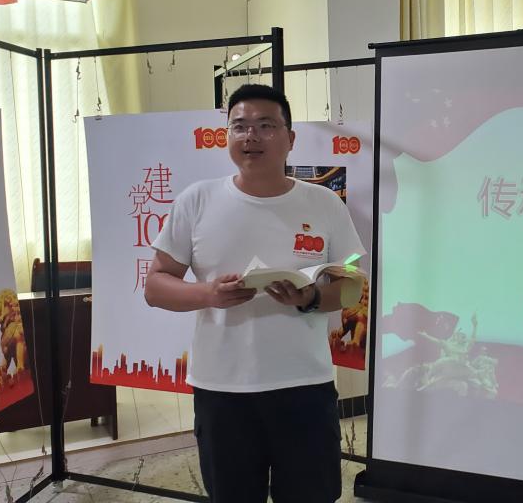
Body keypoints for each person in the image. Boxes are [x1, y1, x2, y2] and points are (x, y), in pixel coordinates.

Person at [144, 84, 364, 503]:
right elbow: (155, 286)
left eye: (266, 126)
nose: (251, 136)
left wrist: (309, 299)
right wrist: (209, 294)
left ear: (290, 138)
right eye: (240, 126)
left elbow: (351, 286)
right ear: (227, 135)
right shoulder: (198, 200)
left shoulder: (324, 203)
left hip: (305, 384)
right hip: (222, 389)